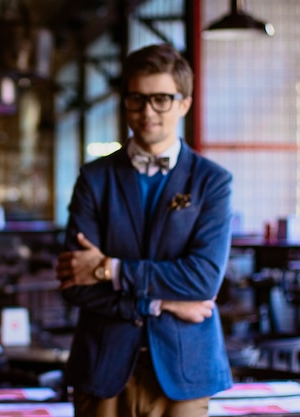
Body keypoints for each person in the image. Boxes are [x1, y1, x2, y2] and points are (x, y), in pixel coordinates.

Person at [55, 44, 233, 417]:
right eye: (136, 99)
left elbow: (202, 281)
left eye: (161, 99)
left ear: (183, 103)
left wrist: (110, 269)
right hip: (102, 366)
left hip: (184, 370)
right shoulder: (94, 178)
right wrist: (160, 301)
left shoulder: (212, 182)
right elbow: (74, 283)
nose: (147, 111)